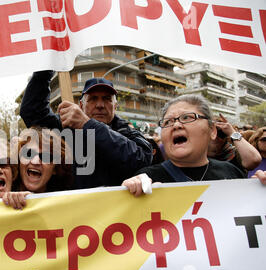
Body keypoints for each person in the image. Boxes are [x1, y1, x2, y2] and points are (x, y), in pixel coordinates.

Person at [19, 70, 152, 189]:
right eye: (93, 99)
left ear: (115, 106)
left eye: (106, 99)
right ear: (81, 105)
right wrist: (46, 68)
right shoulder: (65, 127)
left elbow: (142, 159)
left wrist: (88, 124)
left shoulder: (126, 132)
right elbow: (32, 112)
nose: (100, 105)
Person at [122, 94, 250, 196]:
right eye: (168, 122)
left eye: (187, 118)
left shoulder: (232, 173)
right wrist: (125, 194)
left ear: (212, 131)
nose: (176, 125)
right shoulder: (145, 180)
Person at [13, 126, 73, 193]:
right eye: (28, 153)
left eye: (46, 157)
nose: (35, 162)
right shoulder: (2, 193)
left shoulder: (66, 199)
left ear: (55, 169)